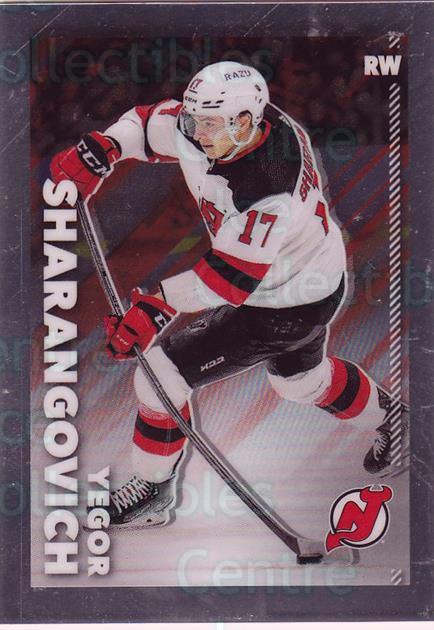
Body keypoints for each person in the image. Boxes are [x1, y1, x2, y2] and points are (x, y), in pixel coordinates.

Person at [50, 61, 408, 529]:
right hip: (317, 280)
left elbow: (231, 280)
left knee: (159, 376)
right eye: (194, 120)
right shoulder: (226, 126)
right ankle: (395, 422)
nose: (196, 134)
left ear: (244, 122)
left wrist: (156, 305)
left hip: (279, 302)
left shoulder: (270, 186)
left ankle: (153, 489)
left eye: (209, 125)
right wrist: (104, 148)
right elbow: (145, 123)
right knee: (299, 382)